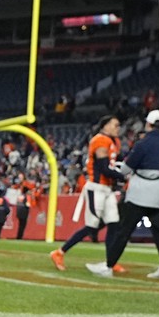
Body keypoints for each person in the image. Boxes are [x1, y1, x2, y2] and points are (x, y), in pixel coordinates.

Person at [86, 110, 159, 280]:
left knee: (123, 230)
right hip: (158, 194)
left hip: (139, 194)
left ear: (148, 124)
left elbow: (127, 168)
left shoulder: (143, 144)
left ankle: (108, 266)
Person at [51, 115, 123, 272]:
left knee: (113, 224)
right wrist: (123, 175)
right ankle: (59, 252)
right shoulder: (100, 140)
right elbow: (104, 168)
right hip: (96, 188)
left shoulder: (114, 142)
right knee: (91, 226)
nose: (118, 128)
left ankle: (111, 260)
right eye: (115, 125)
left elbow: (117, 163)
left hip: (108, 189)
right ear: (105, 126)